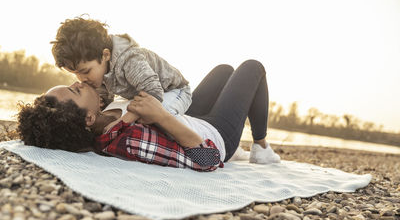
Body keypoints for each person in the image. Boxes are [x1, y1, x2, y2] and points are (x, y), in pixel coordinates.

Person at [17, 60, 280, 171]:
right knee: (253, 67)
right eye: (75, 90)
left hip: (190, 116)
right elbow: (207, 160)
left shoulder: (101, 113)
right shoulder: (128, 139)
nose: (79, 83)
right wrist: (161, 116)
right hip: (213, 136)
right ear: (86, 119)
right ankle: (260, 146)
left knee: (224, 70)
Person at [50, 16, 192, 120]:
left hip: (172, 90)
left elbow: (153, 93)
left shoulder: (129, 60)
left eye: (86, 71)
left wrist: (125, 120)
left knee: (158, 118)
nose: (82, 79)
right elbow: (104, 94)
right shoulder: (100, 70)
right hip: (144, 92)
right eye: (76, 74)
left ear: (105, 55)